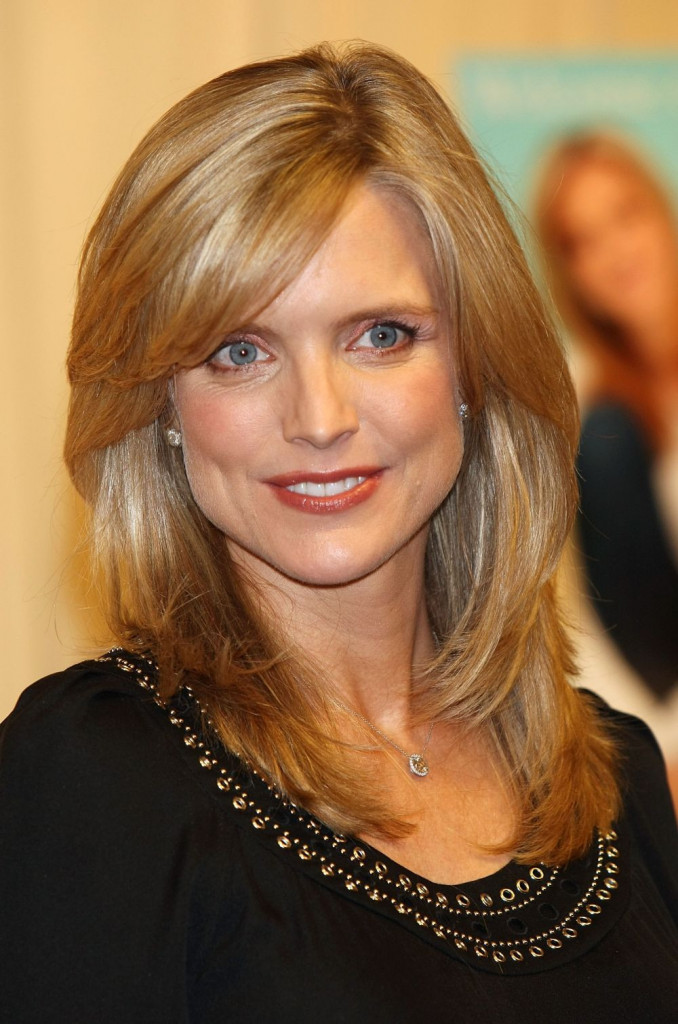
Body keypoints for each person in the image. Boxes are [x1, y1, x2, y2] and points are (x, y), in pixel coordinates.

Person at [1, 45, 677, 1023]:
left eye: (381, 336)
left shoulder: (620, 775)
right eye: (239, 350)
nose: (319, 418)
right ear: (161, 406)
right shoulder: (93, 778)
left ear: (474, 369)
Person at [535, 133, 678, 800]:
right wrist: (654, 752)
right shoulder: (585, 410)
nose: (616, 253)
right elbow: (588, 619)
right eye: (582, 241)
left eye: (625, 215)